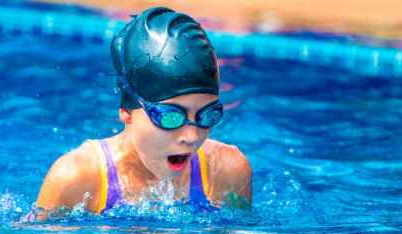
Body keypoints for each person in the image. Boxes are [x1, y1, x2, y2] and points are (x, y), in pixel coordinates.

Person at [36, 6, 251, 218]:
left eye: (207, 115)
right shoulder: (76, 178)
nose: (192, 136)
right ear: (127, 111)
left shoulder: (226, 172)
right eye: (171, 116)